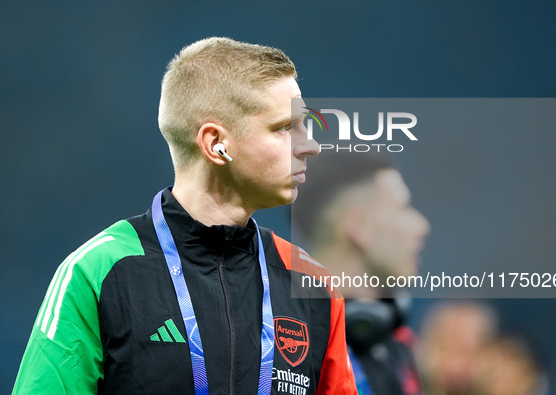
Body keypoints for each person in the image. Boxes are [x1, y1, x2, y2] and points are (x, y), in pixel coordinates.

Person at [13, 37, 357, 394]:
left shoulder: (314, 285)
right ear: (215, 144)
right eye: (285, 127)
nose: (311, 145)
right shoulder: (98, 271)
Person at [293, 151, 430, 395]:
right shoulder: (290, 348)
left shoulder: (399, 344)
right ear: (359, 227)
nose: (421, 226)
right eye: (404, 208)